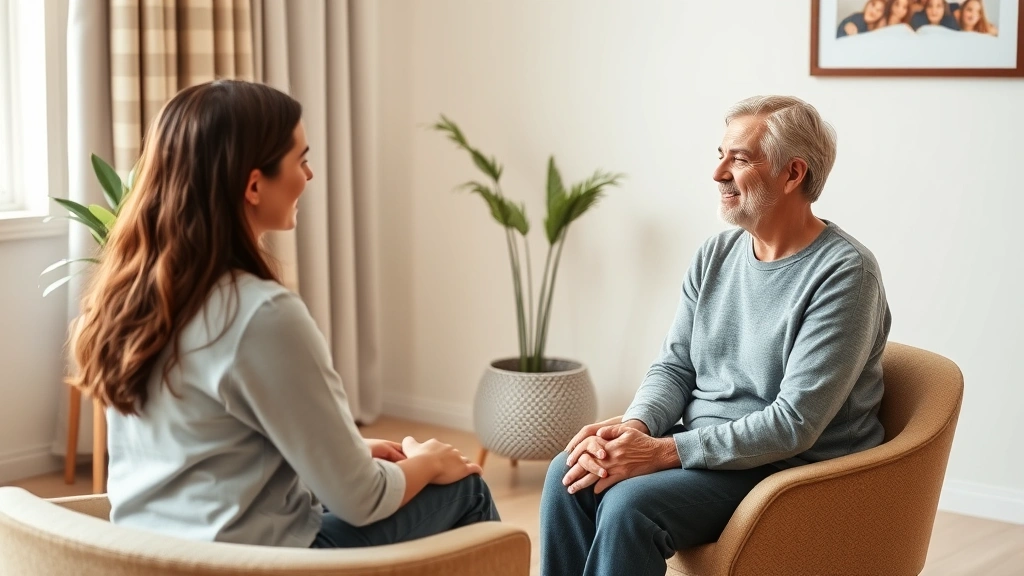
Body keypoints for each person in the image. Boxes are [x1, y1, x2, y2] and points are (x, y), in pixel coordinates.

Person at [68, 79, 499, 549]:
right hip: (257, 561)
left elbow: (205, 447)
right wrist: (429, 461)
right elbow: (362, 499)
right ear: (254, 185)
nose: (309, 176)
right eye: (302, 160)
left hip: (151, 554)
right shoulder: (261, 315)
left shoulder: (129, 297)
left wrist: (345, 453)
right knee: (467, 490)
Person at [539, 95, 891, 576]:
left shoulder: (846, 274)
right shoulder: (717, 254)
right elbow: (674, 366)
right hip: (708, 449)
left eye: (740, 159)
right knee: (569, 474)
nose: (718, 172)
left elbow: (794, 423)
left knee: (630, 506)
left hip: (790, 470)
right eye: (720, 154)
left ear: (793, 174)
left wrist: (663, 452)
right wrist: (637, 427)